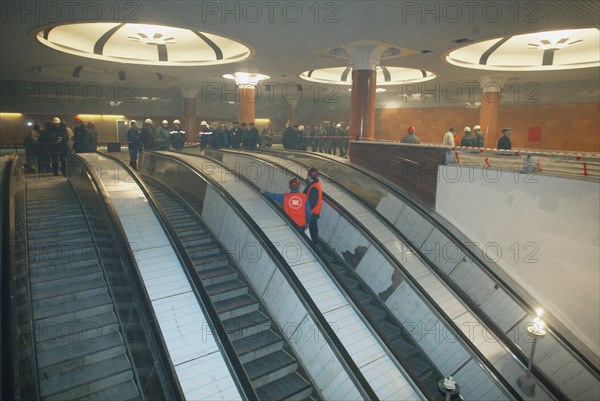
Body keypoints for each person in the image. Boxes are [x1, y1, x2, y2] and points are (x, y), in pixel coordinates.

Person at [303, 167, 322, 244]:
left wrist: (305, 212)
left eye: (308, 175)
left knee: (312, 229)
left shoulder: (314, 188)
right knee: (313, 228)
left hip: (311, 213)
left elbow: (311, 203)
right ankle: (314, 243)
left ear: (310, 176)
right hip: (312, 213)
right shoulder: (313, 184)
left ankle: (313, 244)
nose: (306, 176)